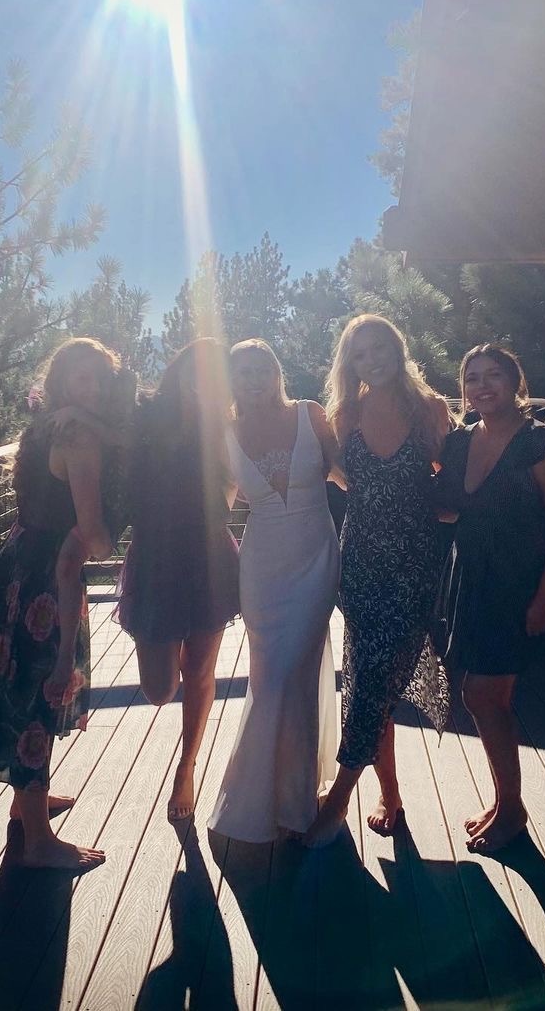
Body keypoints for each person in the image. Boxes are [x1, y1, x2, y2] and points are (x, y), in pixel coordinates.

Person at [0, 337, 120, 871]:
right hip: (50, 583)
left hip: (16, 569)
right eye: (83, 377)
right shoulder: (80, 437)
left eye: (100, 378)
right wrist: (108, 541)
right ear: (62, 380)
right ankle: (38, 843)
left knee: (17, 688)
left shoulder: (46, 424)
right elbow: (92, 535)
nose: (94, 387)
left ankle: (27, 804)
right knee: (41, 692)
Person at [304, 314, 453, 847]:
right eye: (360, 353)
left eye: (380, 348)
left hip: (414, 561)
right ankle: (390, 797)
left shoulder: (430, 408)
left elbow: (451, 479)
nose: (372, 360)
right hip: (362, 559)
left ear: (398, 348)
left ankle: (339, 798)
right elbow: (334, 473)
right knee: (374, 677)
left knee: (374, 678)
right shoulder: (344, 415)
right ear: (350, 364)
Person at [433, 345, 545, 852]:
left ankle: (511, 810)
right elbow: (449, 507)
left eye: (494, 375)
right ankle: (504, 802)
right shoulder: (459, 442)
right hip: (469, 579)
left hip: (516, 586)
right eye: (472, 378)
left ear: (516, 382)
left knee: (480, 695)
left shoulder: (541, 444)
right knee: (490, 695)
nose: (482, 386)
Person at [208, 340, 340, 842]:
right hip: (262, 568)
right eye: (243, 372)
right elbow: (217, 507)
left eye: (262, 368)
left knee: (294, 671)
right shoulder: (224, 435)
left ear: (277, 372)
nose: (254, 379)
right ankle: (278, 797)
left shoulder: (311, 414)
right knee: (273, 676)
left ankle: (286, 797)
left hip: (315, 557)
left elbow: (349, 475)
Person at [117, 337, 240, 822]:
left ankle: (186, 766)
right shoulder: (145, 414)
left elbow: (239, 475)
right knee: (159, 688)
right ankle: (182, 739)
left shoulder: (225, 425)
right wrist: (72, 416)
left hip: (209, 556)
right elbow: (105, 426)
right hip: (155, 558)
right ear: (180, 368)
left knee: (201, 670)